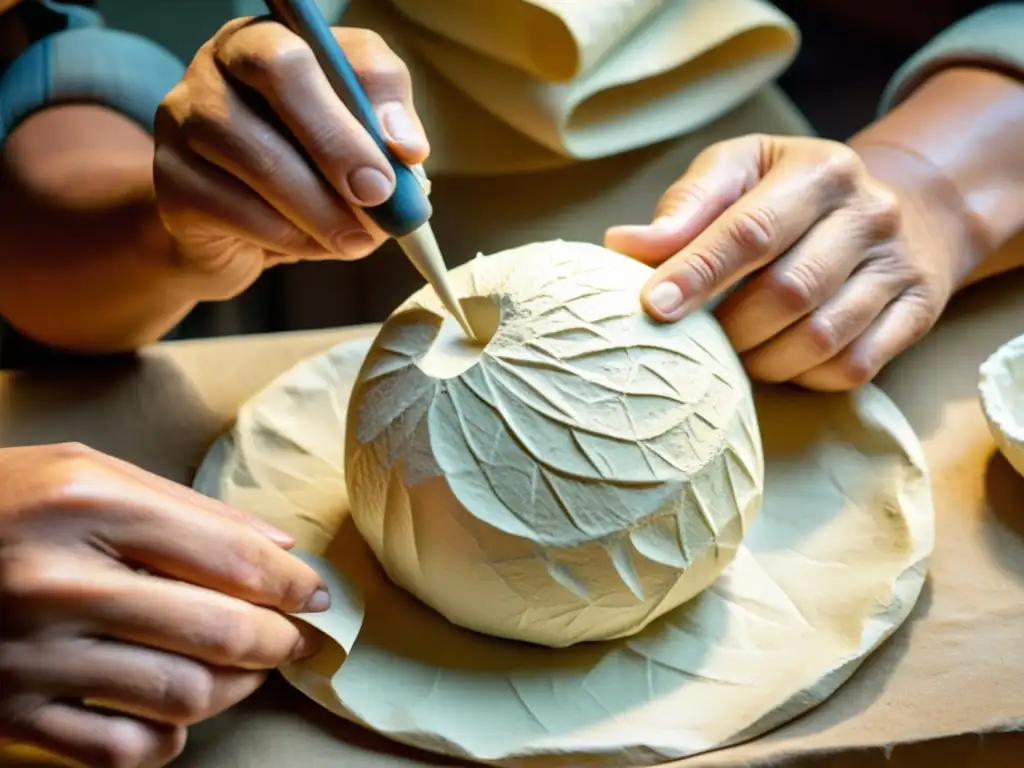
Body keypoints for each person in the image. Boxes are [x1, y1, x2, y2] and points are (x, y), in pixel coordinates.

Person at [0, 1, 1021, 767]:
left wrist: (937, 181)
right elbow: (50, 105)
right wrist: (158, 220)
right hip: (245, 314)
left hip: (777, 248)